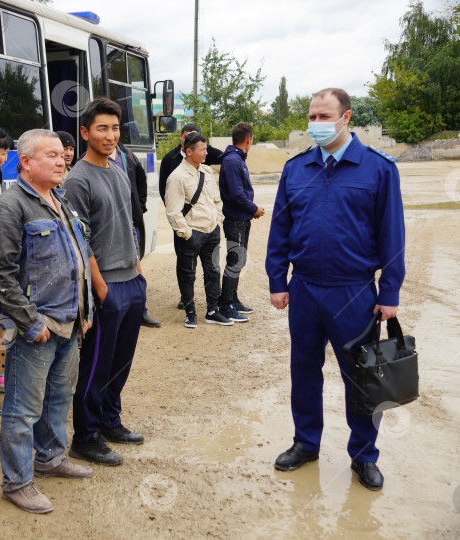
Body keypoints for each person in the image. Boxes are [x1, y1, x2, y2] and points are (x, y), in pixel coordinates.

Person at [266, 88, 405, 491]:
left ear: (345, 119)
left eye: (324, 116)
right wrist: (278, 280)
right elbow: (280, 230)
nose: (316, 124)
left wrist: (389, 292)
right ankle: (306, 444)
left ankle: (364, 456)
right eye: (312, 116)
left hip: (354, 293)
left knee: (362, 378)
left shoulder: (378, 170)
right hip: (306, 290)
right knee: (304, 371)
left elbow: (392, 236)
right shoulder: (296, 169)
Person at [0, 129, 93, 513]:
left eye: (62, 155)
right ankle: (17, 481)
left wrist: (85, 312)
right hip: (38, 329)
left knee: (59, 400)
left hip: (69, 323)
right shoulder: (9, 207)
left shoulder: (61, 201)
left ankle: (50, 459)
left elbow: (78, 258)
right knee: (23, 409)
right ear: (25, 162)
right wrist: (31, 323)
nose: (62, 160)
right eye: (51, 155)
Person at [63, 97, 147, 466]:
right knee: (96, 365)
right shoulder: (78, 179)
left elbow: (128, 223)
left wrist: (139, 270)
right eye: (102, 128)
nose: (111, 135)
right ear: (85, 132)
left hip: (132, 281)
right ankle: (85, 435)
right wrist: (100, 289)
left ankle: (110, 420)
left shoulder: (117, 169)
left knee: (120, 363)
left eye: (115, 128)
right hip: (106, 287)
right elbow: (81, 240)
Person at [165, 132, 232, 328]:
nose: (206, 153)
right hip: (192, 233)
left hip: (211, 231)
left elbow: (216, 199)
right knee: (188, 274)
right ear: (189, 151)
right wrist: (186, 233)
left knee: (213, 271)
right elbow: (173, 211)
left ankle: (212, 311)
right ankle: (190, 313)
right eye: (202, 149)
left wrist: (217, 220)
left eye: (206, 148)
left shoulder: (207, 172)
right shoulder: (177, 177)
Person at [109, 140, 162, 328]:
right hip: (108, 228)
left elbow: (141, 179)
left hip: (131, 222)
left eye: (114, 128)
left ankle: (140, 311)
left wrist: (139, 206)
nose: (110, 135)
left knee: (135, 269)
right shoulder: (86, 163)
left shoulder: (126, 154)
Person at [217, 122, 265, 322]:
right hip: (236, 219)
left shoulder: (236, 159)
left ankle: (232, 299)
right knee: (235, 260)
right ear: (249, 140)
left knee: (240, 260)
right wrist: (253, 208)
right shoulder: (232, 161)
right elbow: (236, 194)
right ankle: (226, 305)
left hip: (242, 219)